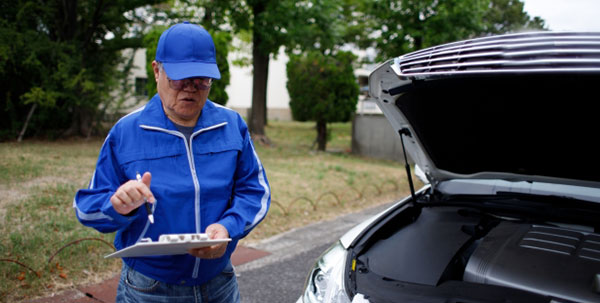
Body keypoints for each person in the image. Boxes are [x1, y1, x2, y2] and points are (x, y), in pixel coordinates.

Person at [73, 21, 270, 303]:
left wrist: (228, 228)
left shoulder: (231, 125)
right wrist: (117, 206)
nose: (191, 89)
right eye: (180, 78)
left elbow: (255, 191)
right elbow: (86, 208)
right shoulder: (127, 132)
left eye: (202, 79)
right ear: (156, 70)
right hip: (149, 289)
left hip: (219, 283)